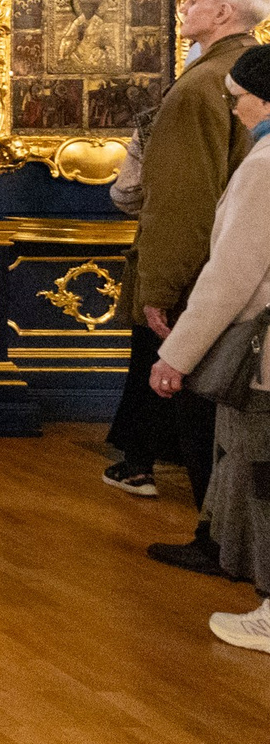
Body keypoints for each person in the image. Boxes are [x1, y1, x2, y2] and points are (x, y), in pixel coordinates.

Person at [116, 0, 267, 569]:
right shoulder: (250, 69)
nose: (185, 4)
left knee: (211, 425)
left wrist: (160, 289)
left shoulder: (205, 84)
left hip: (207, 281)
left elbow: (181, 200)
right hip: (235, 284)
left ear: (224, 12)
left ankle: (220, 543)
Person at [149, 43, 270, 652]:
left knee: (261, 475)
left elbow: (231, 278)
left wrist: (177, 356)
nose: (237, 109)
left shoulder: (265, 164)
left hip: (265, 357)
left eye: (240, 98)